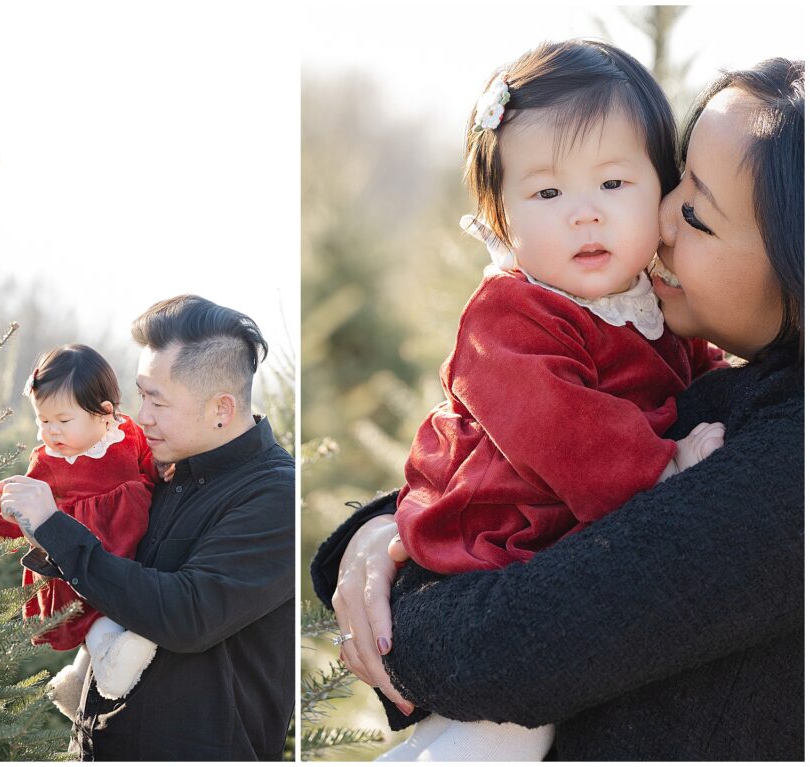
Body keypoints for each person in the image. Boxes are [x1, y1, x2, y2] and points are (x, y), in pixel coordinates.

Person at [312, 56, 804, 760]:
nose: (661, 219)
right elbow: (545, 431)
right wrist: (385, 527)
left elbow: (509, 648)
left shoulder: (789, 464)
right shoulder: (538, 313)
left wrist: (398, 587)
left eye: (695, 212)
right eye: (676, 179)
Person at [381, 39, 730, 761]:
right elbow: (556, 424)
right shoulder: (512, 312)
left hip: (569, 551)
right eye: (547, 194)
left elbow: (699, 375)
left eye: (614, 183)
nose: (584, 215)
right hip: (499, 542)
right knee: (501, 735)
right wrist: (663, 466)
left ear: (663, 191)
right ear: (500, 215)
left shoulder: (653, 303)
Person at [0, 295, 295, 761]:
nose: (142, 414)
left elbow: (188, 614)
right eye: (141, 394)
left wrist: (57, 529)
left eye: (157, 400)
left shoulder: (274, 496)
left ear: (222, 408)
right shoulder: (159, 473)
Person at [0, 345, 162, 716]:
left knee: (121, 602)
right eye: (43, 420)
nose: (52, 431)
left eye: (63, 420)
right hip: (78, 553)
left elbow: (151, 465)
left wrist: (167, 473)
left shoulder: (127, 435)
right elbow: (19, 502)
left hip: (127, 542)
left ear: (105, 413)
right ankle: (105, 672)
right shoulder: (48, 460)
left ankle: (77, 681)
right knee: (95, 614)